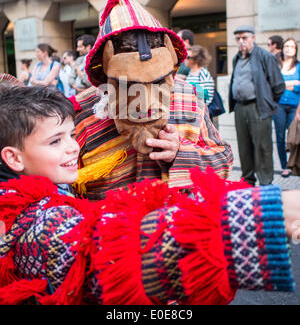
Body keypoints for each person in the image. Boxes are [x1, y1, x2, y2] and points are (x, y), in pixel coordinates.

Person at [0, 84, 298, 305]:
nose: (73, 147)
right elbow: (120, 252)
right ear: (14, 158)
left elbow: (222, 156)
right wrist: (267, 214)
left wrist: (181, 152)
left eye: (72, 135)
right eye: (55, 141)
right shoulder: (35, 222)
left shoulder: (188, 99)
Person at [74, 0, 233, 200]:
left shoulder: (188, 98)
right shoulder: (82, 111)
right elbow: (59, 186)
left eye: (158, 82)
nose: (146, 103)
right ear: (105, 72)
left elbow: (224, 162)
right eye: (129, 84)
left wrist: (181, 153)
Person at [229, 25, 285, 187]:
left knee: (262, 146)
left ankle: (266, 182)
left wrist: (268, 102)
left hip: (258, 107)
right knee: (244, 146)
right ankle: (247, 181)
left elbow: (278, 85)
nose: (241, 42)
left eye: (244, 38)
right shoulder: (236, 58)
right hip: (240, 107)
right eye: (238, 39)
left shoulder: (265, 56)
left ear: (252, 38)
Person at [273, 38, 300, 178]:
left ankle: (295, 163)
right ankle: (284, 166)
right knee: (280, 136)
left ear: (296, 50)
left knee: (294, 137)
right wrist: (293, 83)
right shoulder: (277, 65)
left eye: (292, 46)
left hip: (295, 107)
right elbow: (275, 85)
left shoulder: (299, 66)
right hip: (278, 106)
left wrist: (291, 85)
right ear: (282, 48)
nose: (289, 48)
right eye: (287, 46)